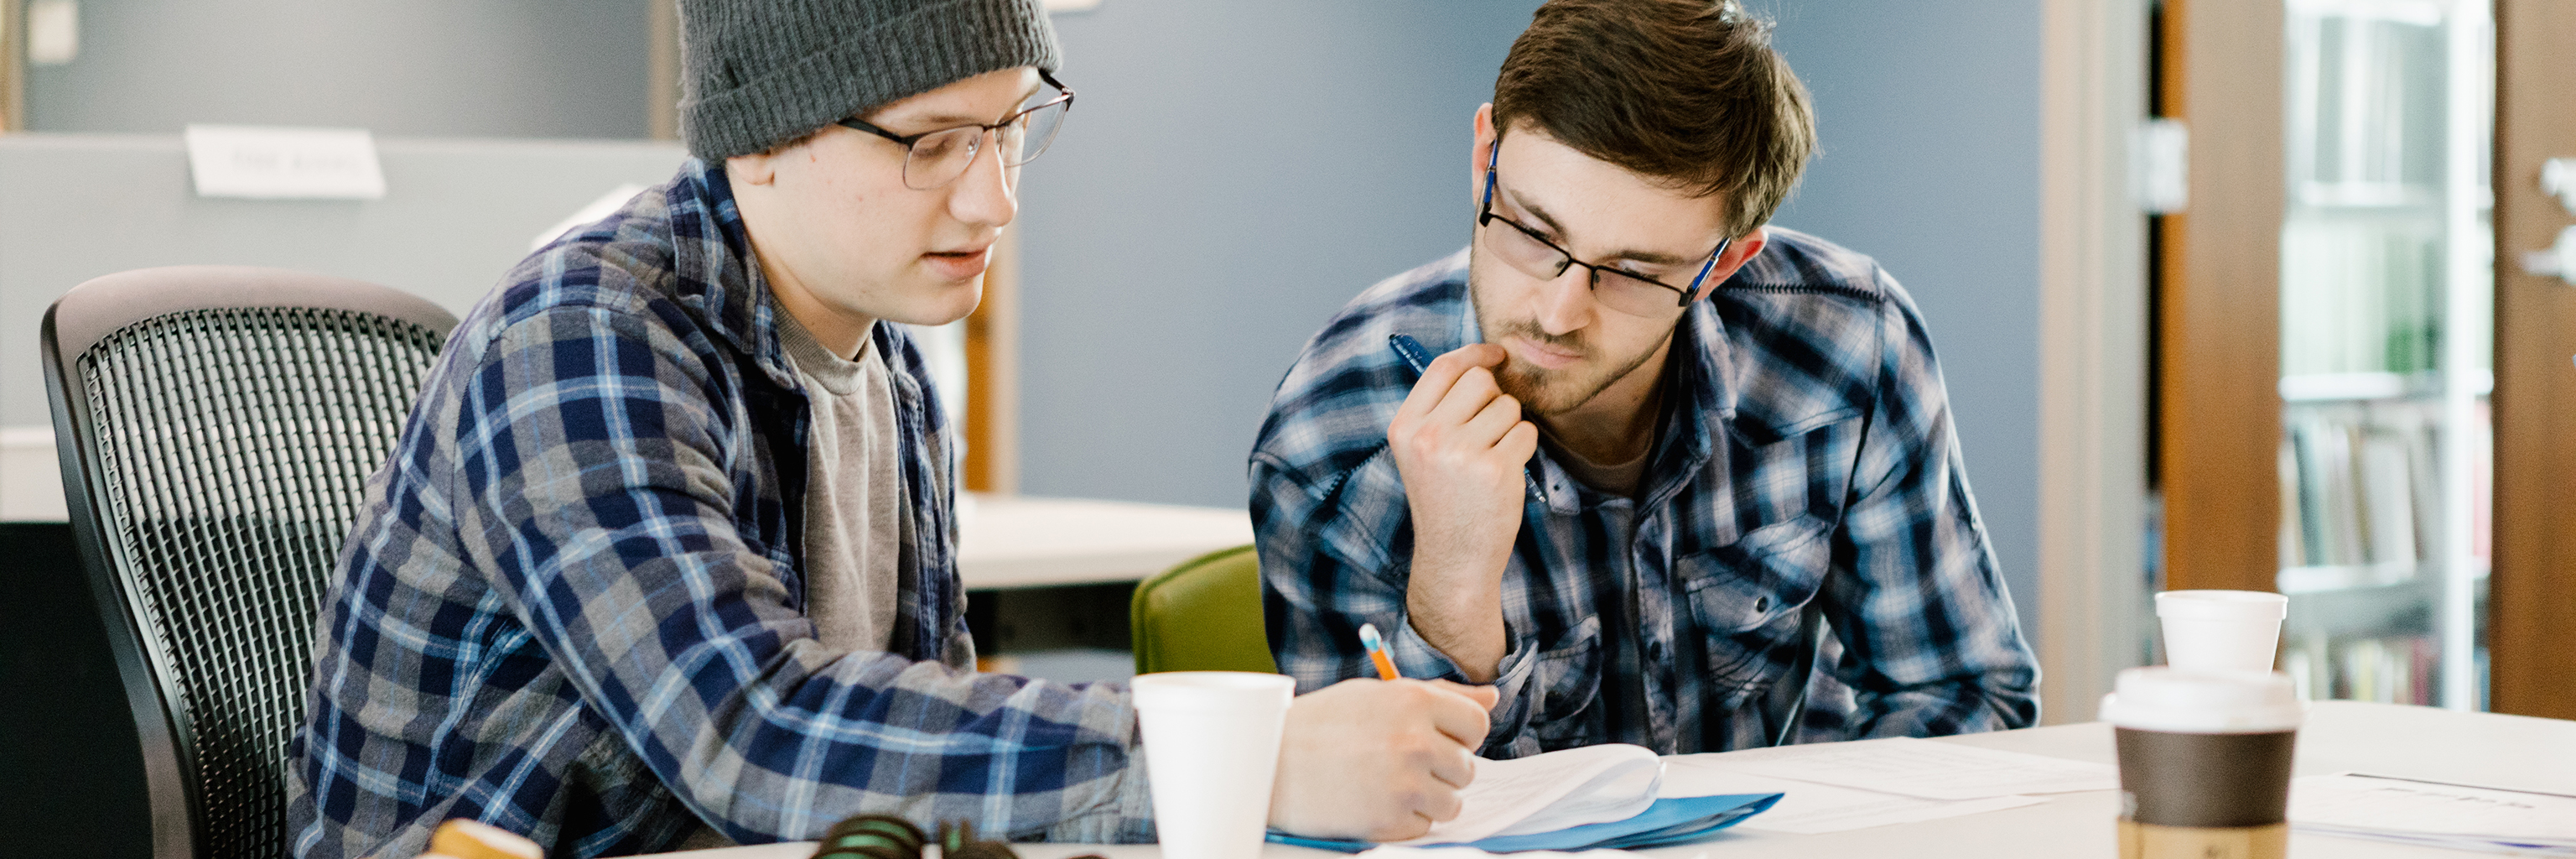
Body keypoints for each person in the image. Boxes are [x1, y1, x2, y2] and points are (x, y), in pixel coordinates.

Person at [288, 2, 1493, 856]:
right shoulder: (584, 336)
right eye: (932, 144)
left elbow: (913, 724)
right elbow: (752, 732)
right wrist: (1231, 764)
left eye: (1014, 126)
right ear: (760, 139)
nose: (997, 197)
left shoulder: (889, 363)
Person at [1249, 0, 2039, 759]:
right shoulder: (1332, 438)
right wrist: (1453, 595)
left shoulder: (1849, 344)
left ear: (1723, 264)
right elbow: (1367, 819)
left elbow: (1965, 693)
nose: (1558, 313)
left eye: (1633, 273)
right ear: (1487, 155)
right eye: (1531, 229)